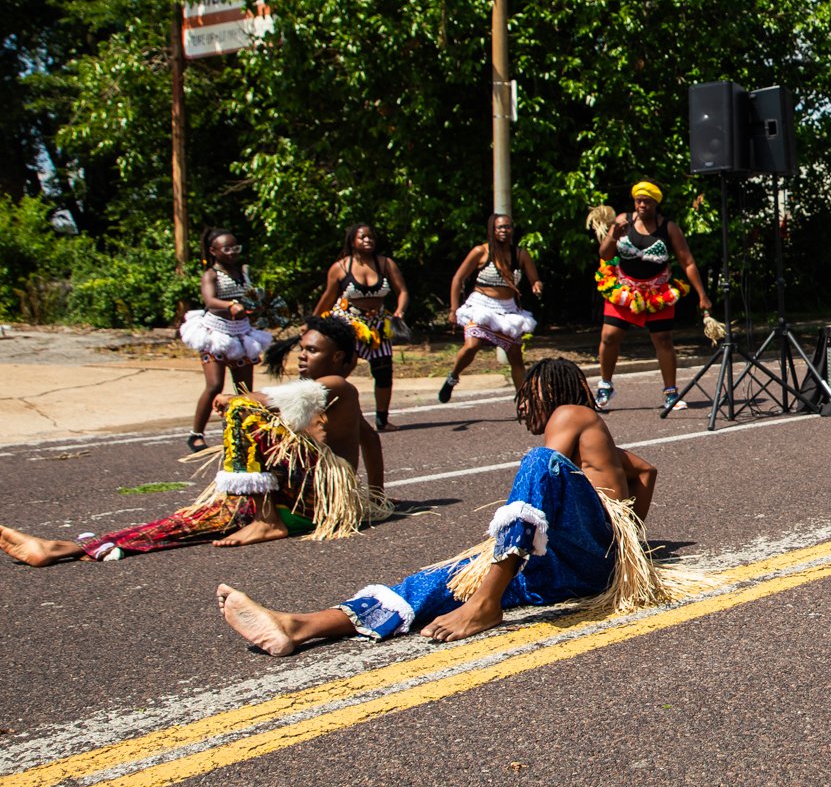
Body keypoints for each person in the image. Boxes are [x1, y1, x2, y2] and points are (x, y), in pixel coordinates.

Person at [218, 358, 686, 654]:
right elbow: (646, 471)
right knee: (432, 584)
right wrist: (631, 544)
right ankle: (299, 627)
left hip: (583, 551)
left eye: (527, 398)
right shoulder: (595, 433)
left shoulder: (571, 415)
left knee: (541, 461)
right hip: (575, 565)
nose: (522, 409)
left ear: (548, 393)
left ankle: (487, 602)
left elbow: (552, 470)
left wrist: (619, 539)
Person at [0, 316, 386, 565]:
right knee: (187, 522)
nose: (302, 356)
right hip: (292, 499)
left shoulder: (336, 386)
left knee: (243, 412)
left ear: (339, 360)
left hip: (309, 504)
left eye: (312, 350)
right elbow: (370, 440)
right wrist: (377, 495)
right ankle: (61, 549)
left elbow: (272, 402)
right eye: (301, 348)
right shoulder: (335, 396)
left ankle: (268, 522)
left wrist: (237, 400)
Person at [594, 181, 715, 411]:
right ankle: (605, 385)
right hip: (625, 291)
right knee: (609, 336)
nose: (642, 205)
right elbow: (605, 254)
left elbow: (687, 262)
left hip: (656, 293)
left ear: (656, 203)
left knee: (663, 340)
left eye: (647, 201)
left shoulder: (668, 228)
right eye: (638, 201)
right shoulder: (623, 221)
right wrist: (613, 237)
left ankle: (671, 393)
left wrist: (702, 294)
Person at [178, 227, 273, 452]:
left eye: (235, 248)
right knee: (214, 385)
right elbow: (210, 301)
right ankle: (196, 434)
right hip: (215, 334)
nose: (232, 253)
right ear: (214, 251)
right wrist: (231, 306)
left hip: (241, 333)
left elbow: (252, 296)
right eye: (226, 249)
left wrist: (258, 307)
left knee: (244, 390)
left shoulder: (244, 272)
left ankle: (244, 431)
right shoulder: (211, 274)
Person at [313, 223, 411, 429]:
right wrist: (312, 324)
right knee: (342, 370)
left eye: (371, 237)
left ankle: (382, 420)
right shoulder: (340, 268)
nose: (368, 240)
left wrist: (399, 311)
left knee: (384, 371)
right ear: (352, 241)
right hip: (348, 323)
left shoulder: (385, 264)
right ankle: (323, 413)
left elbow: (402, 290)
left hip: (377, 325)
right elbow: (328, 297)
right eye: (363, 237)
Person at [440, 212, 543, 402]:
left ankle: (524, 401)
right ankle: (453, 377)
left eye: (508, 227)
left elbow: (534, 278)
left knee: (515, 355)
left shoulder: (520, 254)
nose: (504, 231)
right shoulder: (481, 252)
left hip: (508, 310)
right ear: (492, 230)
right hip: (481, 306)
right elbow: (458, 278)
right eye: (500, 227)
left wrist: (536, 285)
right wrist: (454, 309)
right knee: (473, 345)